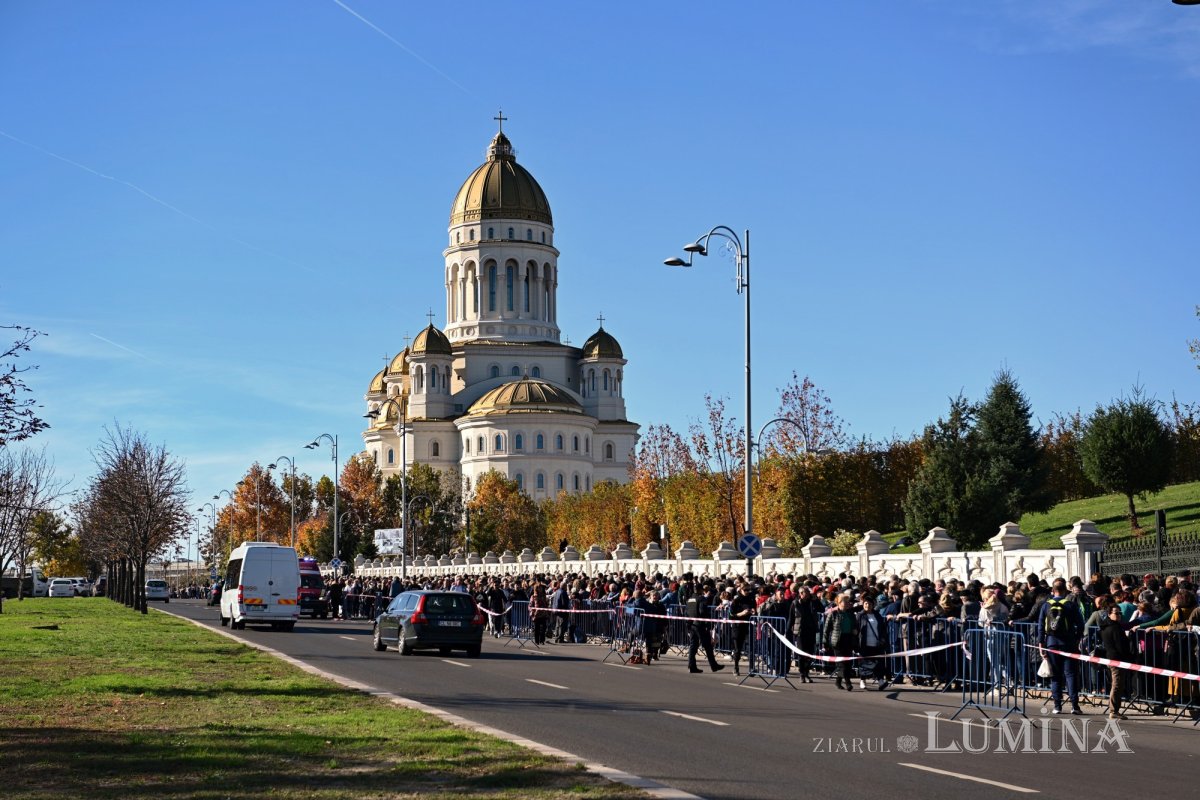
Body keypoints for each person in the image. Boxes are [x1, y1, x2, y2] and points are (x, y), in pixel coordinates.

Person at [1037, 577, 1086, 715]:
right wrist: (1076, 638)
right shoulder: (1070, 605)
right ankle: (1075, 706)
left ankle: (1057, 706)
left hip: (1051, 643)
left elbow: (1041, 626)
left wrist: (1041, 644)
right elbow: (1081, 624)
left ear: (1053, 590)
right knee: (1070, 675)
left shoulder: (1046, 605)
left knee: (1056, 676)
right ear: (1065, 590)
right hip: (1068, 643)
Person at [1098, 601, 1135, 720]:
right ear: (1109, 614)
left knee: (1117, 684)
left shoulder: (1107, 626)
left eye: (1120, 613)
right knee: (1117, 684)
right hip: (1116, 659)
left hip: (1112, 658)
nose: (1119, 615)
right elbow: (1120, 645)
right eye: (1116, 613)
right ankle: (1114, 710)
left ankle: (1114, 709)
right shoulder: (1114, 628)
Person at [686, 582, 725, 674]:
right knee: (708, 646)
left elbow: (686, 613)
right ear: (700, 590)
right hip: (700, 624)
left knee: (693, 646)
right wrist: (708, 620)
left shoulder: (689, 599)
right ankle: (714, 666)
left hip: (692, 625)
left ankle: (692, 665)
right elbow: (702, 611)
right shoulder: (701, 598)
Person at [823, 594, 858, 691]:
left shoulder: (850, 614)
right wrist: (825, 642)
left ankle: (838, 681)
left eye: (848, 601)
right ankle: (848, 682)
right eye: (844, 601)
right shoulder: (833, 614)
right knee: (842, 664)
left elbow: (855, 625)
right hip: (837, 641)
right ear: (839, 602)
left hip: (848, 639)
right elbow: (826, 629)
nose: (847, 603)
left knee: (847, 663)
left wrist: (855, 630)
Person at [789, 584, 822, 683]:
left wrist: (816, 599)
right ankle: (802, 673)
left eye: (808, 592)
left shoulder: (812, 602)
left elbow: (822, 609)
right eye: (805, 593)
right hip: (800, 631)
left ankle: (807, 672)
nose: (807, 594)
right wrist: (787, 631)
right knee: (801, 653)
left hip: (811, 630)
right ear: (800, 594)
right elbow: (791, 618)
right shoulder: (795, 603)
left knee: (810, 653)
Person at [856, 595, 888, 690]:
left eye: (870, 604)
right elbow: (856, 629)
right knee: (864, 663)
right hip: (864, 643)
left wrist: (883, 639)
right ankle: (862, 680)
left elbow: (882, 629)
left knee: (878, 663)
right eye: (866, 603)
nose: (867, 605)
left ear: (873, 605)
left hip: (876, 643)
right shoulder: (860, 615)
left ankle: (881, 681)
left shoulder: (877, 615)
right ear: (863, 604)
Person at [729, 583, 756, 676]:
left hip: (749, 626)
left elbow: (754, 609)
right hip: (738, 627)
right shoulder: (736, 600)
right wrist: (741, 614)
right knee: (738, 649)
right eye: (745, 590)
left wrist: (753, 611)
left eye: (749, 590)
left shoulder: (751, 599)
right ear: (741, 590)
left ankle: (752, 668)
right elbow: (731, 615)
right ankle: (736, 667)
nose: (748, 592)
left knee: (751, 648)